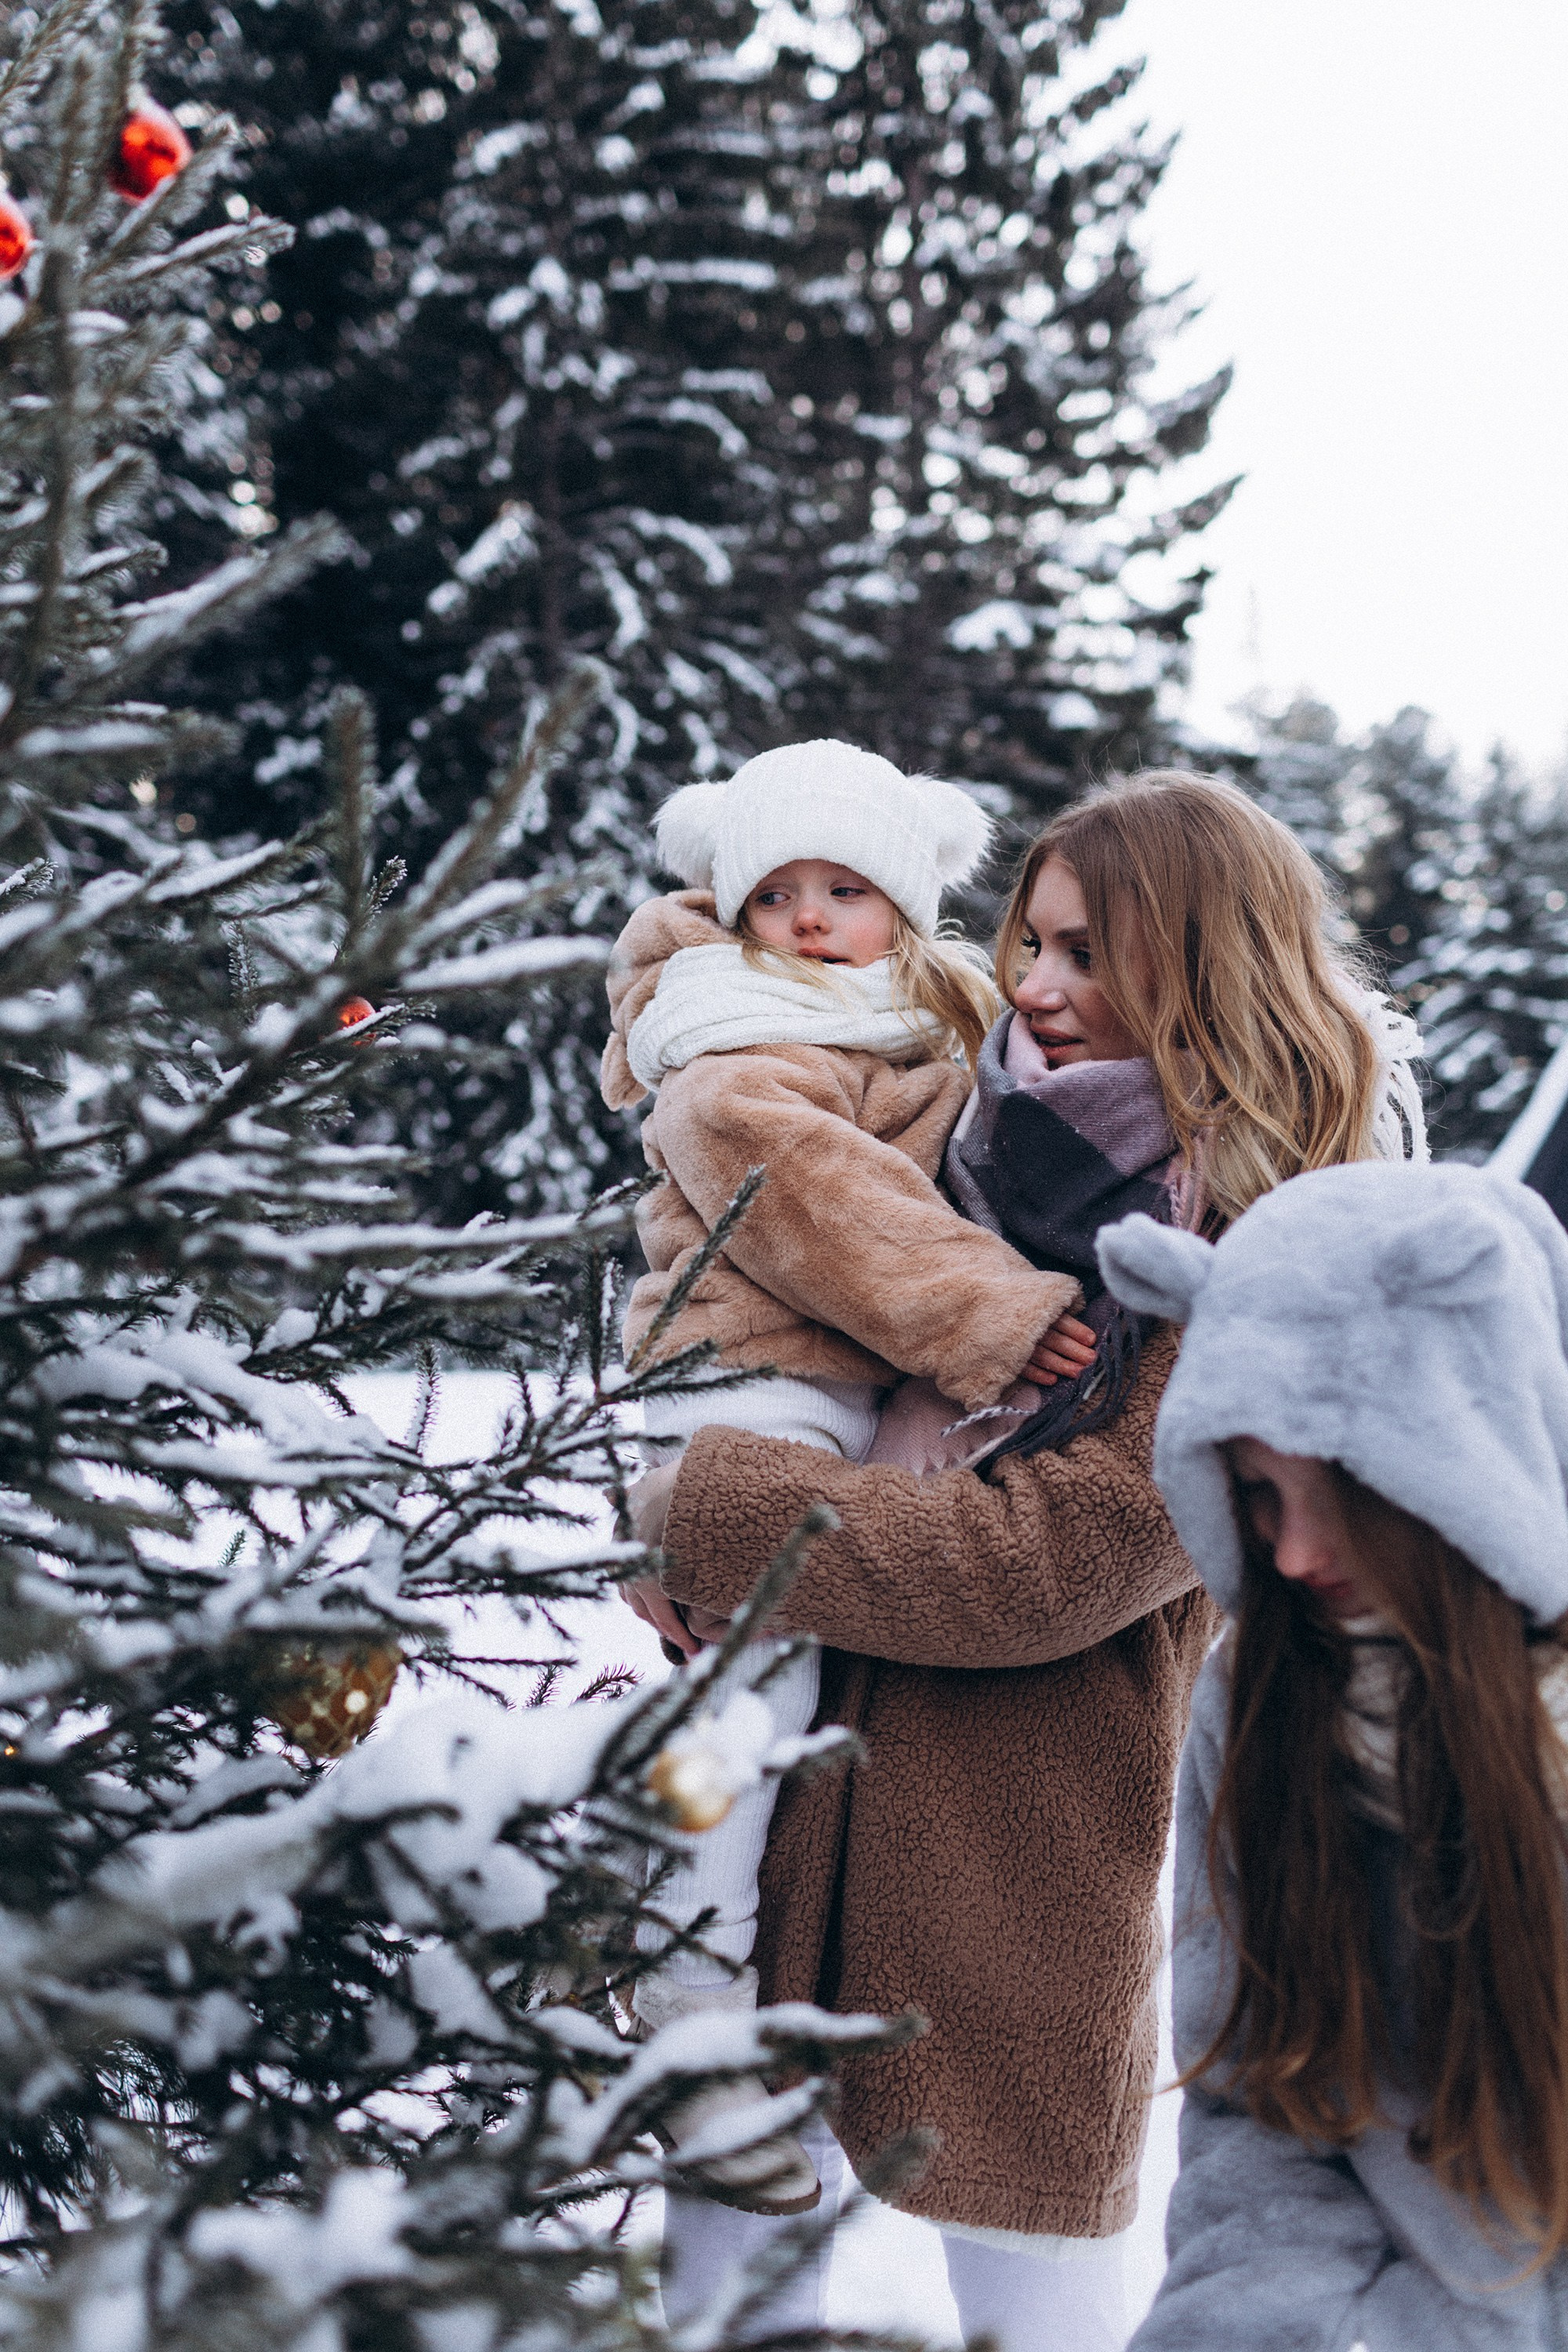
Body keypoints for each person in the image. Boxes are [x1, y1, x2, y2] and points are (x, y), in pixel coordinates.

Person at [628, 771, 1427, 2350]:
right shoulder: (957, 1134)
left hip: (1015, 1863)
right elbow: (783, 1342)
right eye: (1033, 941)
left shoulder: (1266, 1244)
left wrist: (709, 1511)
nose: (1041, 988)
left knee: (1033, 2311)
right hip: (795, 1812)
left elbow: (1044, 1565)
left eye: (1093, 955)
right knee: (719, 2296)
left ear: (1208, 967)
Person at [602, 739, 1091, 2209]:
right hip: (742, 1386)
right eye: (779, 893)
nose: (811, 919)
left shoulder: (909, 1019)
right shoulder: (732, 1040)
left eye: (849, 889)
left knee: (775, 1703)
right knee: (745, 1699)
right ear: (733, 908)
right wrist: (997, 1314)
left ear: (907, 899)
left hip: (824, 1400)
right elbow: (819, 1197)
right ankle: (683, 2015)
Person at [1102, 1160, 1568, 2350]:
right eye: (1258, 1494)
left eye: (1348, 1489)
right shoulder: (1263, 1703)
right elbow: (1265, 2110)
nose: (1297, 1554)